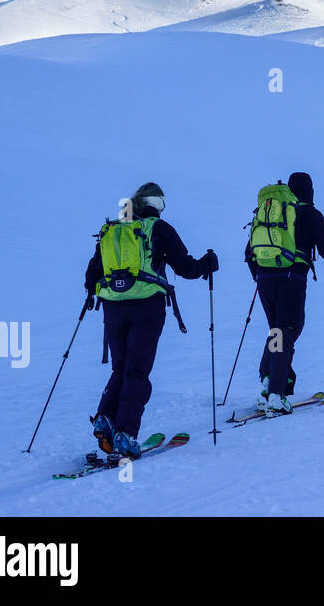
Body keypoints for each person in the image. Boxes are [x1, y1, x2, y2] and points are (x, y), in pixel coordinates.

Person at [85, 182, 217, 458]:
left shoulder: (114, 229)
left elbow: (92, 274)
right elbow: (187, 268)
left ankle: (105, 418)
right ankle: (125, 435)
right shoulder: (158, 229)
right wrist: (209, 262)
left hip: (113, 307)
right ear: (157, 204)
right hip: (147, 307)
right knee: (137, 372)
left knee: (121, 369)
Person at [244, 172, 324, 415]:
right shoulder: (310, 213)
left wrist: (260, 274)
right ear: (310, 189)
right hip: (292, 280)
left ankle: (268, 383)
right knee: (287, 331)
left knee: (278, 331)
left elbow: (249, 251)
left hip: (266, 281)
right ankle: (276, 395)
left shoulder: (272, 212)